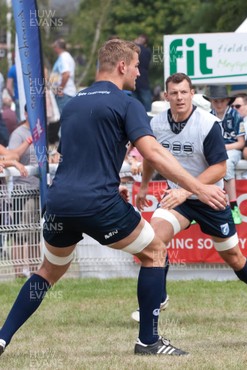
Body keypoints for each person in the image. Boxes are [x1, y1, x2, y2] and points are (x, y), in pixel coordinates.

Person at [0, 39, 228, 358]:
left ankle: (2, 338)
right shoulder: (127, 102)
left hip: (59, 202)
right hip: (97, 203)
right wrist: (199, 187)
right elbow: (152, 152)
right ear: (122, 66)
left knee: (47, 272)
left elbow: (73, 156)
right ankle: (148, 341)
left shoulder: (76, 102)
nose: (138, 73)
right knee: (154, 251)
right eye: (136, 66)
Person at [133, 72, 247, 323]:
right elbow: (151, 158)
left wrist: (187, 190)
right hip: (179, 200)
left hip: (211, 198)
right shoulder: (156, 124)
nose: (179, 98)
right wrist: (144, 186)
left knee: (234, 258)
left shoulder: (207, 124)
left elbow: (220, 168)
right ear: (166, 97)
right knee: (153, 241)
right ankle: (159, 297)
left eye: (184, 92)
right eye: (174, 93)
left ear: (192, 95)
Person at [7, 106, 40, 278]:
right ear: (26, 114)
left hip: (37, 190)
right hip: (22, 190)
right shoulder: (18, 133)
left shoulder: (42, 132)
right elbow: (12, 156)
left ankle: (35, 273)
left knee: (35, 234)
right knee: (20, 235)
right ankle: (19, 274)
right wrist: (28, 140)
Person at [206, 85, 245, 224]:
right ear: (211, 101)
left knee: (226, 163)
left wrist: (223, 147)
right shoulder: (208, 116)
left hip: (232, 149)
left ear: (227, 100)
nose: (219, 104)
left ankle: (234, 206)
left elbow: (241, 143)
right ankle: (199, 205)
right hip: (214, 150)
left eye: (222, 100)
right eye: (216, 101)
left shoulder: (236, 115)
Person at [50, 39, 77, 113]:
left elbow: (66, 74)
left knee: (63, 119)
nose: (54, 49)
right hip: (65, 94)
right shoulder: (66, 57)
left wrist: (60, 89)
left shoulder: (63, 58)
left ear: (58, 47)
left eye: (54, 47)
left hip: (64, 94)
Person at [132, 34, 152, 112]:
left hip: (134, 80)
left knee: (135, 105)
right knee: (147, 106)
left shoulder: (134, 50)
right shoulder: (147, 51)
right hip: (143, 81)